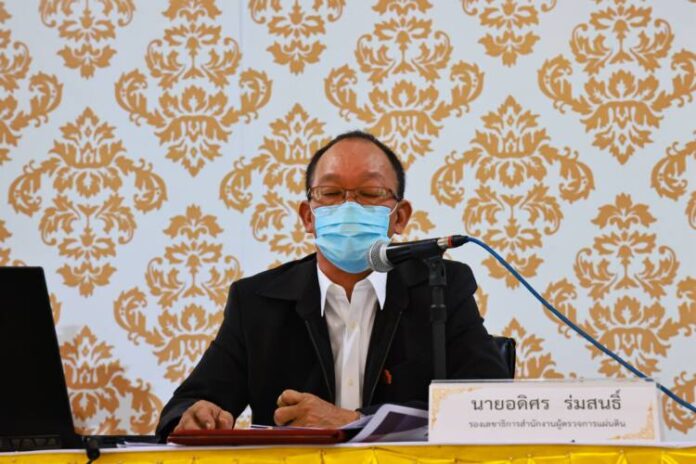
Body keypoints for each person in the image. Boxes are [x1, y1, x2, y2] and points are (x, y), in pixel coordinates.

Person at [156, 130, 510, 438]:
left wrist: (356, 422)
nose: (348, 206)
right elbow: (185, 406)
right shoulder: (257, 302)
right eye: (330, 193)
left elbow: (490, 406)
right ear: (308, 216)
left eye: (370, 193)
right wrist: (195, 416)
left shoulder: (441, 287)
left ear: (399, 217)